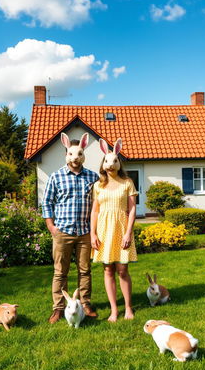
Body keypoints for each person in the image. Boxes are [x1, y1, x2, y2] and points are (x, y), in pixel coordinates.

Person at [42, 132, 98, 324]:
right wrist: (51, 226)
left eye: (80, 153)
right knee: (60, 272)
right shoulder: (56, 177)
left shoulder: (93, 177)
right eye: (72, 154)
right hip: (62, 232)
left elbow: (98, 204)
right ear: (66, 153)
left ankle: (85, 303)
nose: (76, 158)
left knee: (85, 271)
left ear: (84, 153)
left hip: (84, 233)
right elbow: (47, 203)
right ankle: (58, 308)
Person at [90, 138, 138, 322]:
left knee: (123, 270)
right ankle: (113, 310)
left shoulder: (127, 183)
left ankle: (128, 307)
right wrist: (93, 234)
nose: (111, 164)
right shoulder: (98, 185)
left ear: (119, 163)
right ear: (103, 164)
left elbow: (132, 209)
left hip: (121, 228)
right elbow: (95, 211)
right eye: (108, 160)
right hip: (103, 230)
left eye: (115, 160)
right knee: (108, 270)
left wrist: (128, 232)